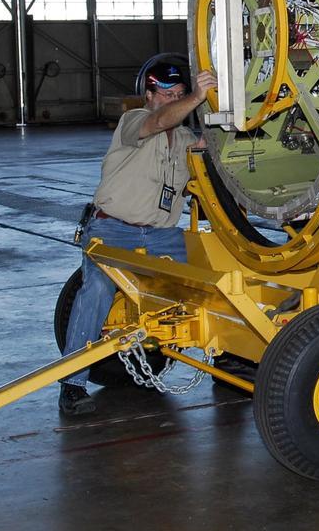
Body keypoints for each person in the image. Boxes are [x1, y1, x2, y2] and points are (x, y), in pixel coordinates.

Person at [58, 61, 217, 416]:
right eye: (166, 95)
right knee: (97, 288)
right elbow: (159, 121)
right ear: (149, 96)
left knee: (219, 278)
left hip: (163, 237)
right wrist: (195, 96)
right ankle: (72, 382)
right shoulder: (134, 121)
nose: (172, 101)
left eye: (178, 95)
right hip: (113, 229)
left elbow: (213, 150)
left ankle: (230, 358)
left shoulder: (188, 141)